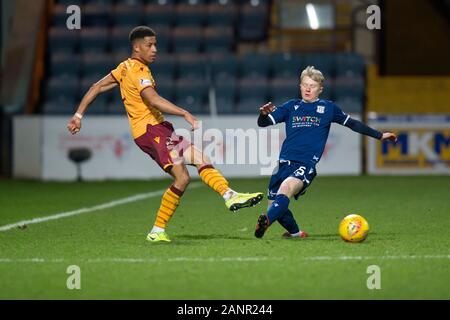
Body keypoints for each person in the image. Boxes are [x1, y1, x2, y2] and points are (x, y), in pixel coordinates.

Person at [67, 26, 263, 243]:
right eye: (149, 45)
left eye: (155, 44)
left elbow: (96, 86)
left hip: (157, 129)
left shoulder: (124, 67)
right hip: (151, 130)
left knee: (192, 168)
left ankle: (168, 225)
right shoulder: (138, 71)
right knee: (188, 171)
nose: (155, 49)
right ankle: (221, 199)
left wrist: (78, 115)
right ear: (137, 47)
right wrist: (184, 112)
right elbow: (153, 99)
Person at [255, 66, 397, 239]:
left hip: (305, 164)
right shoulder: (291, 107)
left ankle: (265, 223)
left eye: (312, 86)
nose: (308, 89)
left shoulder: (328, 108)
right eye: (305, 85)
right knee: (274, 205)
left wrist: (380, 135)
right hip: (283, 164)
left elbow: (352, 124)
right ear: (300, 86)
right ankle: (296, 233)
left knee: (286, 189)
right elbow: (263, 123)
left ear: (320, 89)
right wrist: (263, 114)